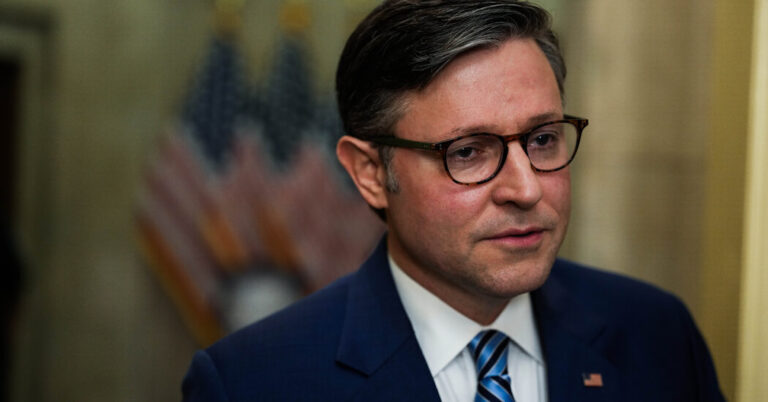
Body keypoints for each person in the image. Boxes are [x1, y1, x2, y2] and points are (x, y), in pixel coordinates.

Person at [182, 1, 725, 401]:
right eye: (467, 152)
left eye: (543, 139)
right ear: (371, 173)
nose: (526, 189)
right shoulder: (252, 382)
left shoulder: (656, 334)